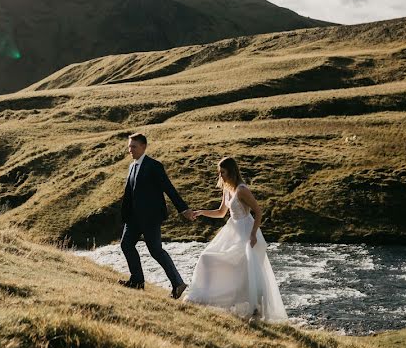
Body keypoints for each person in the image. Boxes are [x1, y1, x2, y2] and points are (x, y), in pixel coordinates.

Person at [185, 157, 287, 322]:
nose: (221, 176)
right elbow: (221, 212)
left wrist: (253, 234)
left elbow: (258, 211)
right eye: (219, 173)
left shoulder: (242, 190)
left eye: (223, 172)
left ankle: (255, 309)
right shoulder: (227, 188)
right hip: (232, 231)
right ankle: (206, 296)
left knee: (248, 271)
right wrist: (201, 211)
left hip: (246, 232)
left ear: (231, 171)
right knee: (207, 257)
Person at [118, 133, 194, 299]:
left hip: (150, 218)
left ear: (144, 147)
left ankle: (178, 284)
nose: (130, 149)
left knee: (156, 251)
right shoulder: (132, 166)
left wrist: (183, 209)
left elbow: (169, 188)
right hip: (133, 219)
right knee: (126, 244)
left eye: (134, 146)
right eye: (129, 146)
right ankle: (137, 281)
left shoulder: (154, 166)